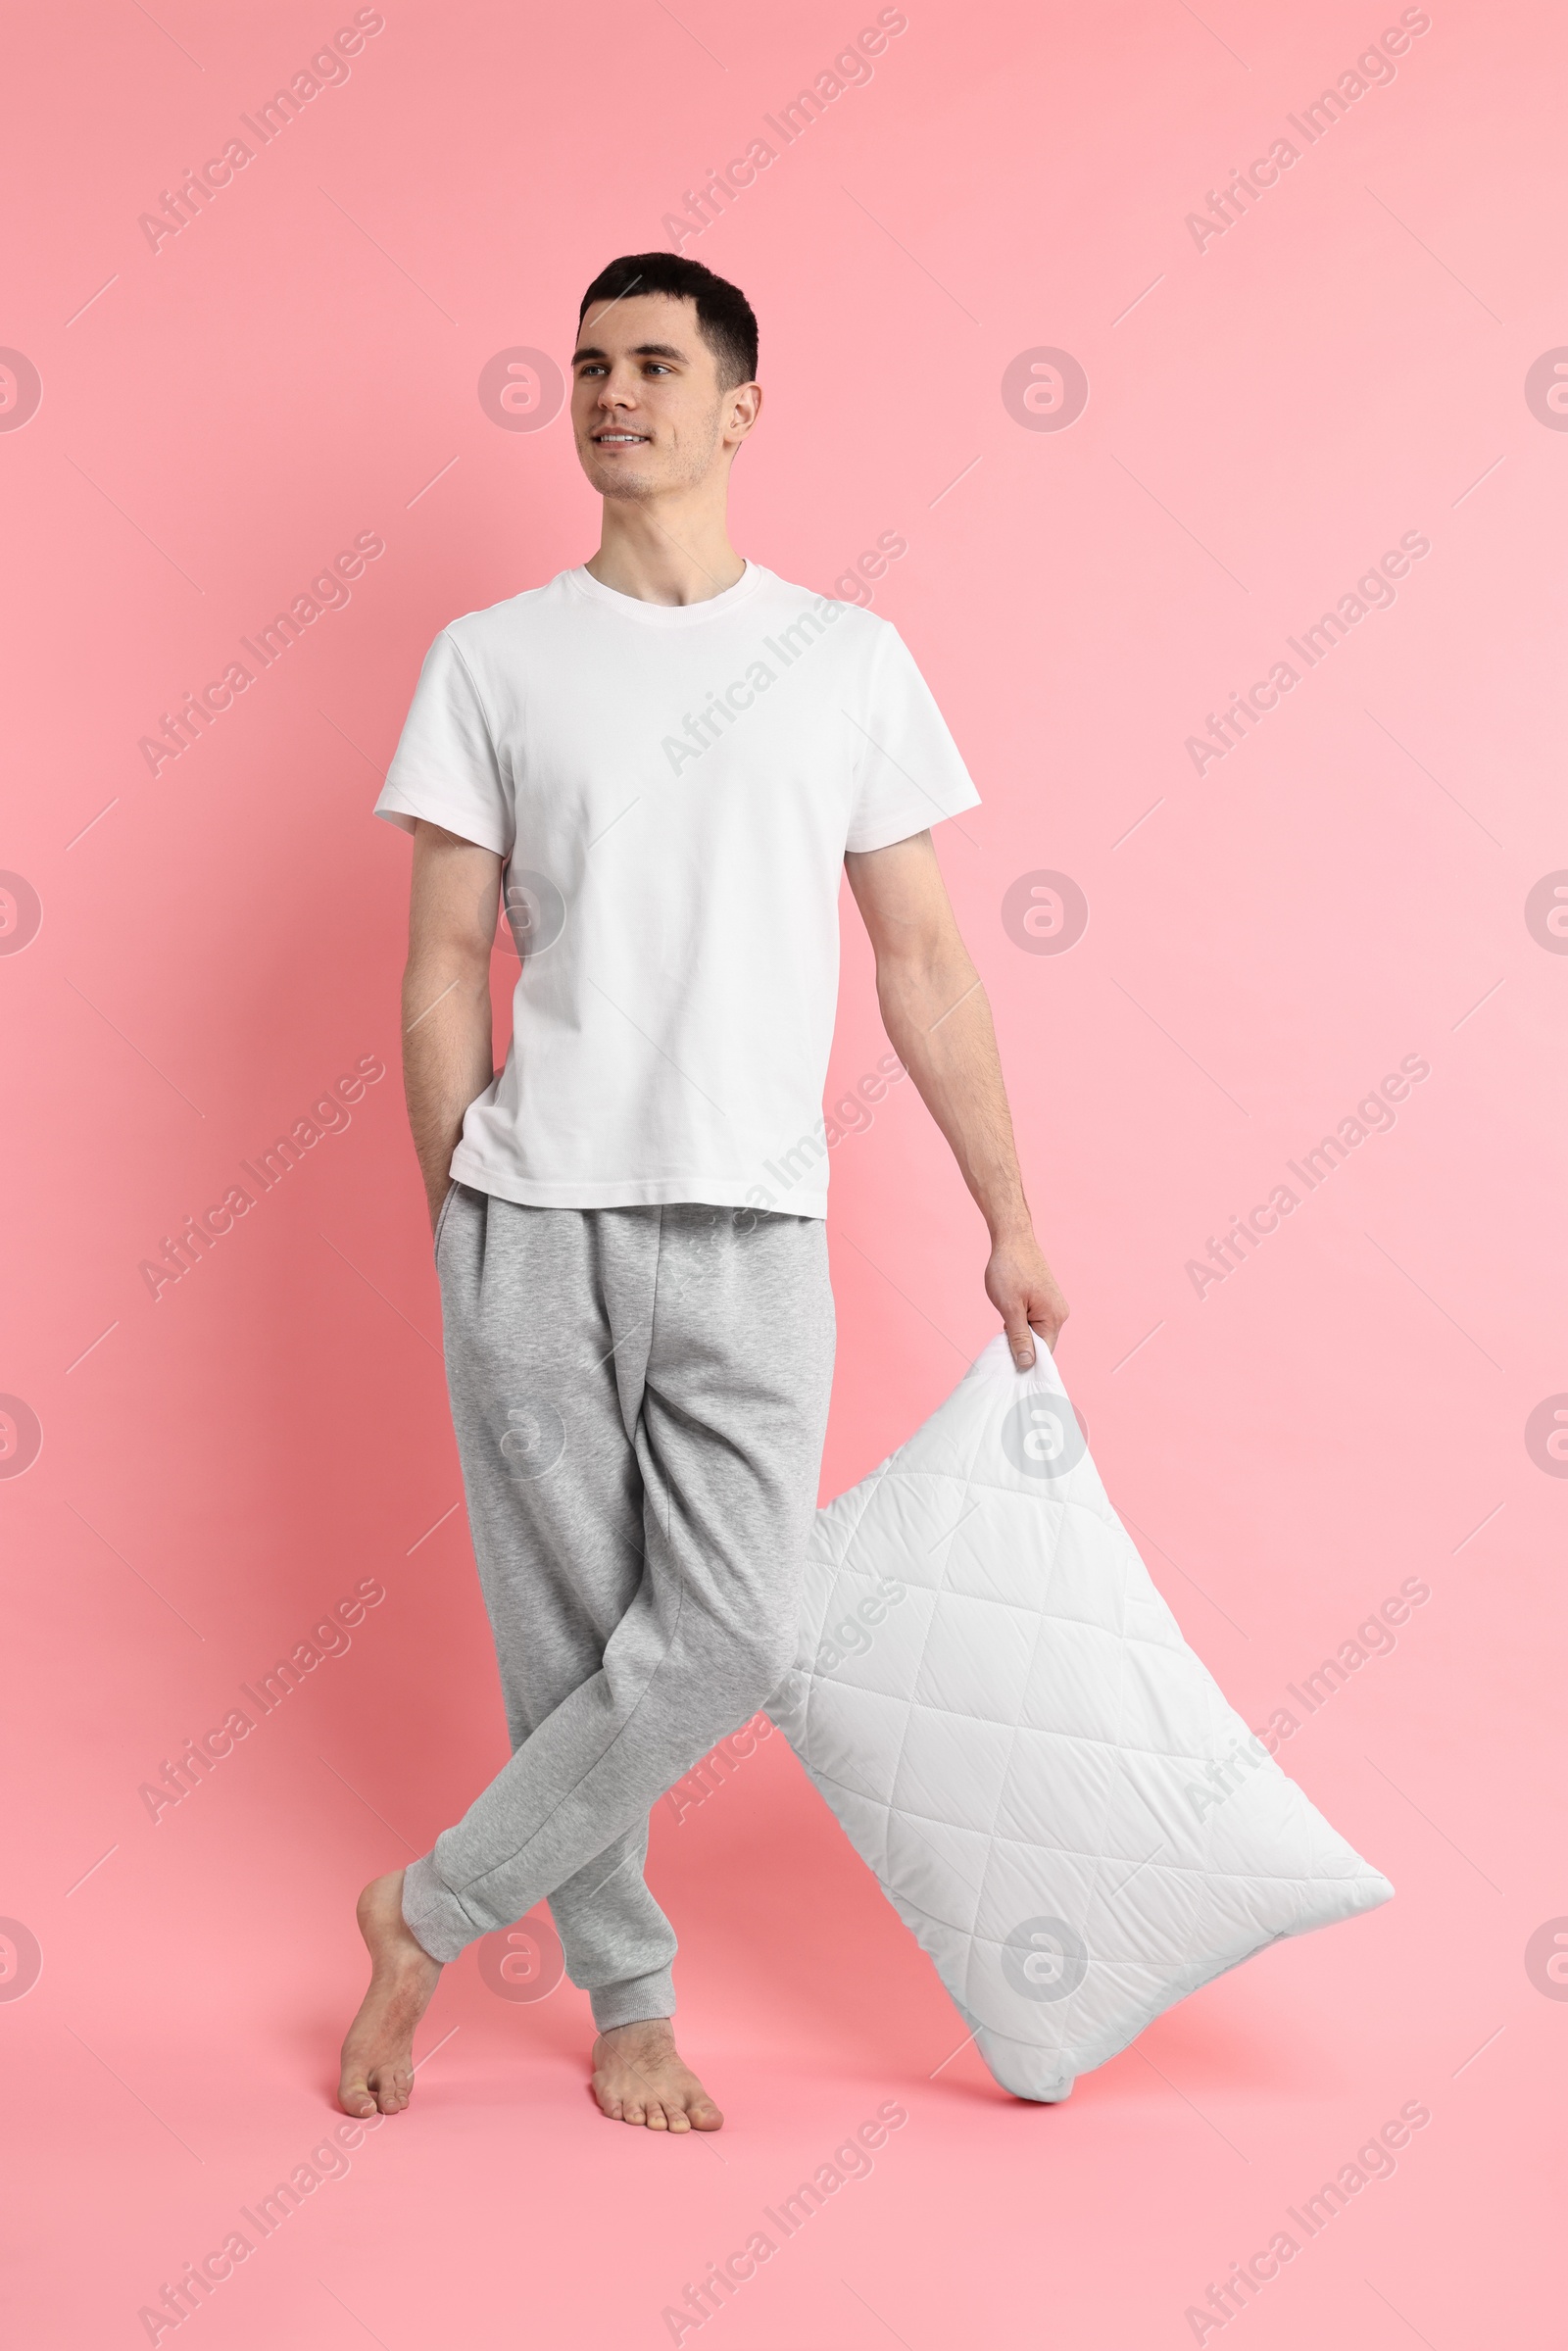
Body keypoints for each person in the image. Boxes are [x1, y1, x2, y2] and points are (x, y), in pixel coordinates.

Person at [337, 251, 1067, 2132]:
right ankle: (633, 2005)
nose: (611, 394)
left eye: (655, 364)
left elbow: (924, 961)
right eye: (587, 366)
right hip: (533, 1223)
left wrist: (1013, 1213)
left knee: (730, 1634)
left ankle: (425, 1912)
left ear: (740, 407)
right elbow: (438, 967)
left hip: (754, 1225)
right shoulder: (493, 657)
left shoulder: (842, 658)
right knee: (566, 1646)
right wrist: (459, 1217)